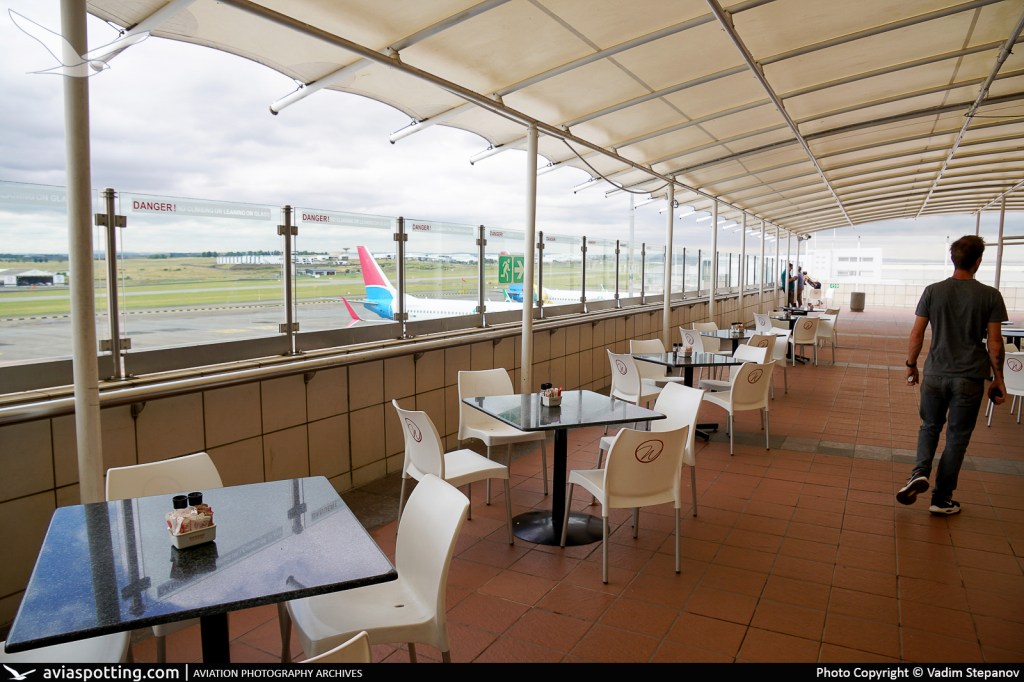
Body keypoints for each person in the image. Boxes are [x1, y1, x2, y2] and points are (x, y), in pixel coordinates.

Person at [897, 235, 1007, 515]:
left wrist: (911, 364)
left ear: (953, 259)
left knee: (929, 426)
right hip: (969, 377)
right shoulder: (990, 295)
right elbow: (995, 343)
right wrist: (999, 379)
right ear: (978, 261)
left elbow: (917, 334)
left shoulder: (933, 291)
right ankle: (941, 498)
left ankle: (919, 473)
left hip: (935, 374)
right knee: (957, 437)